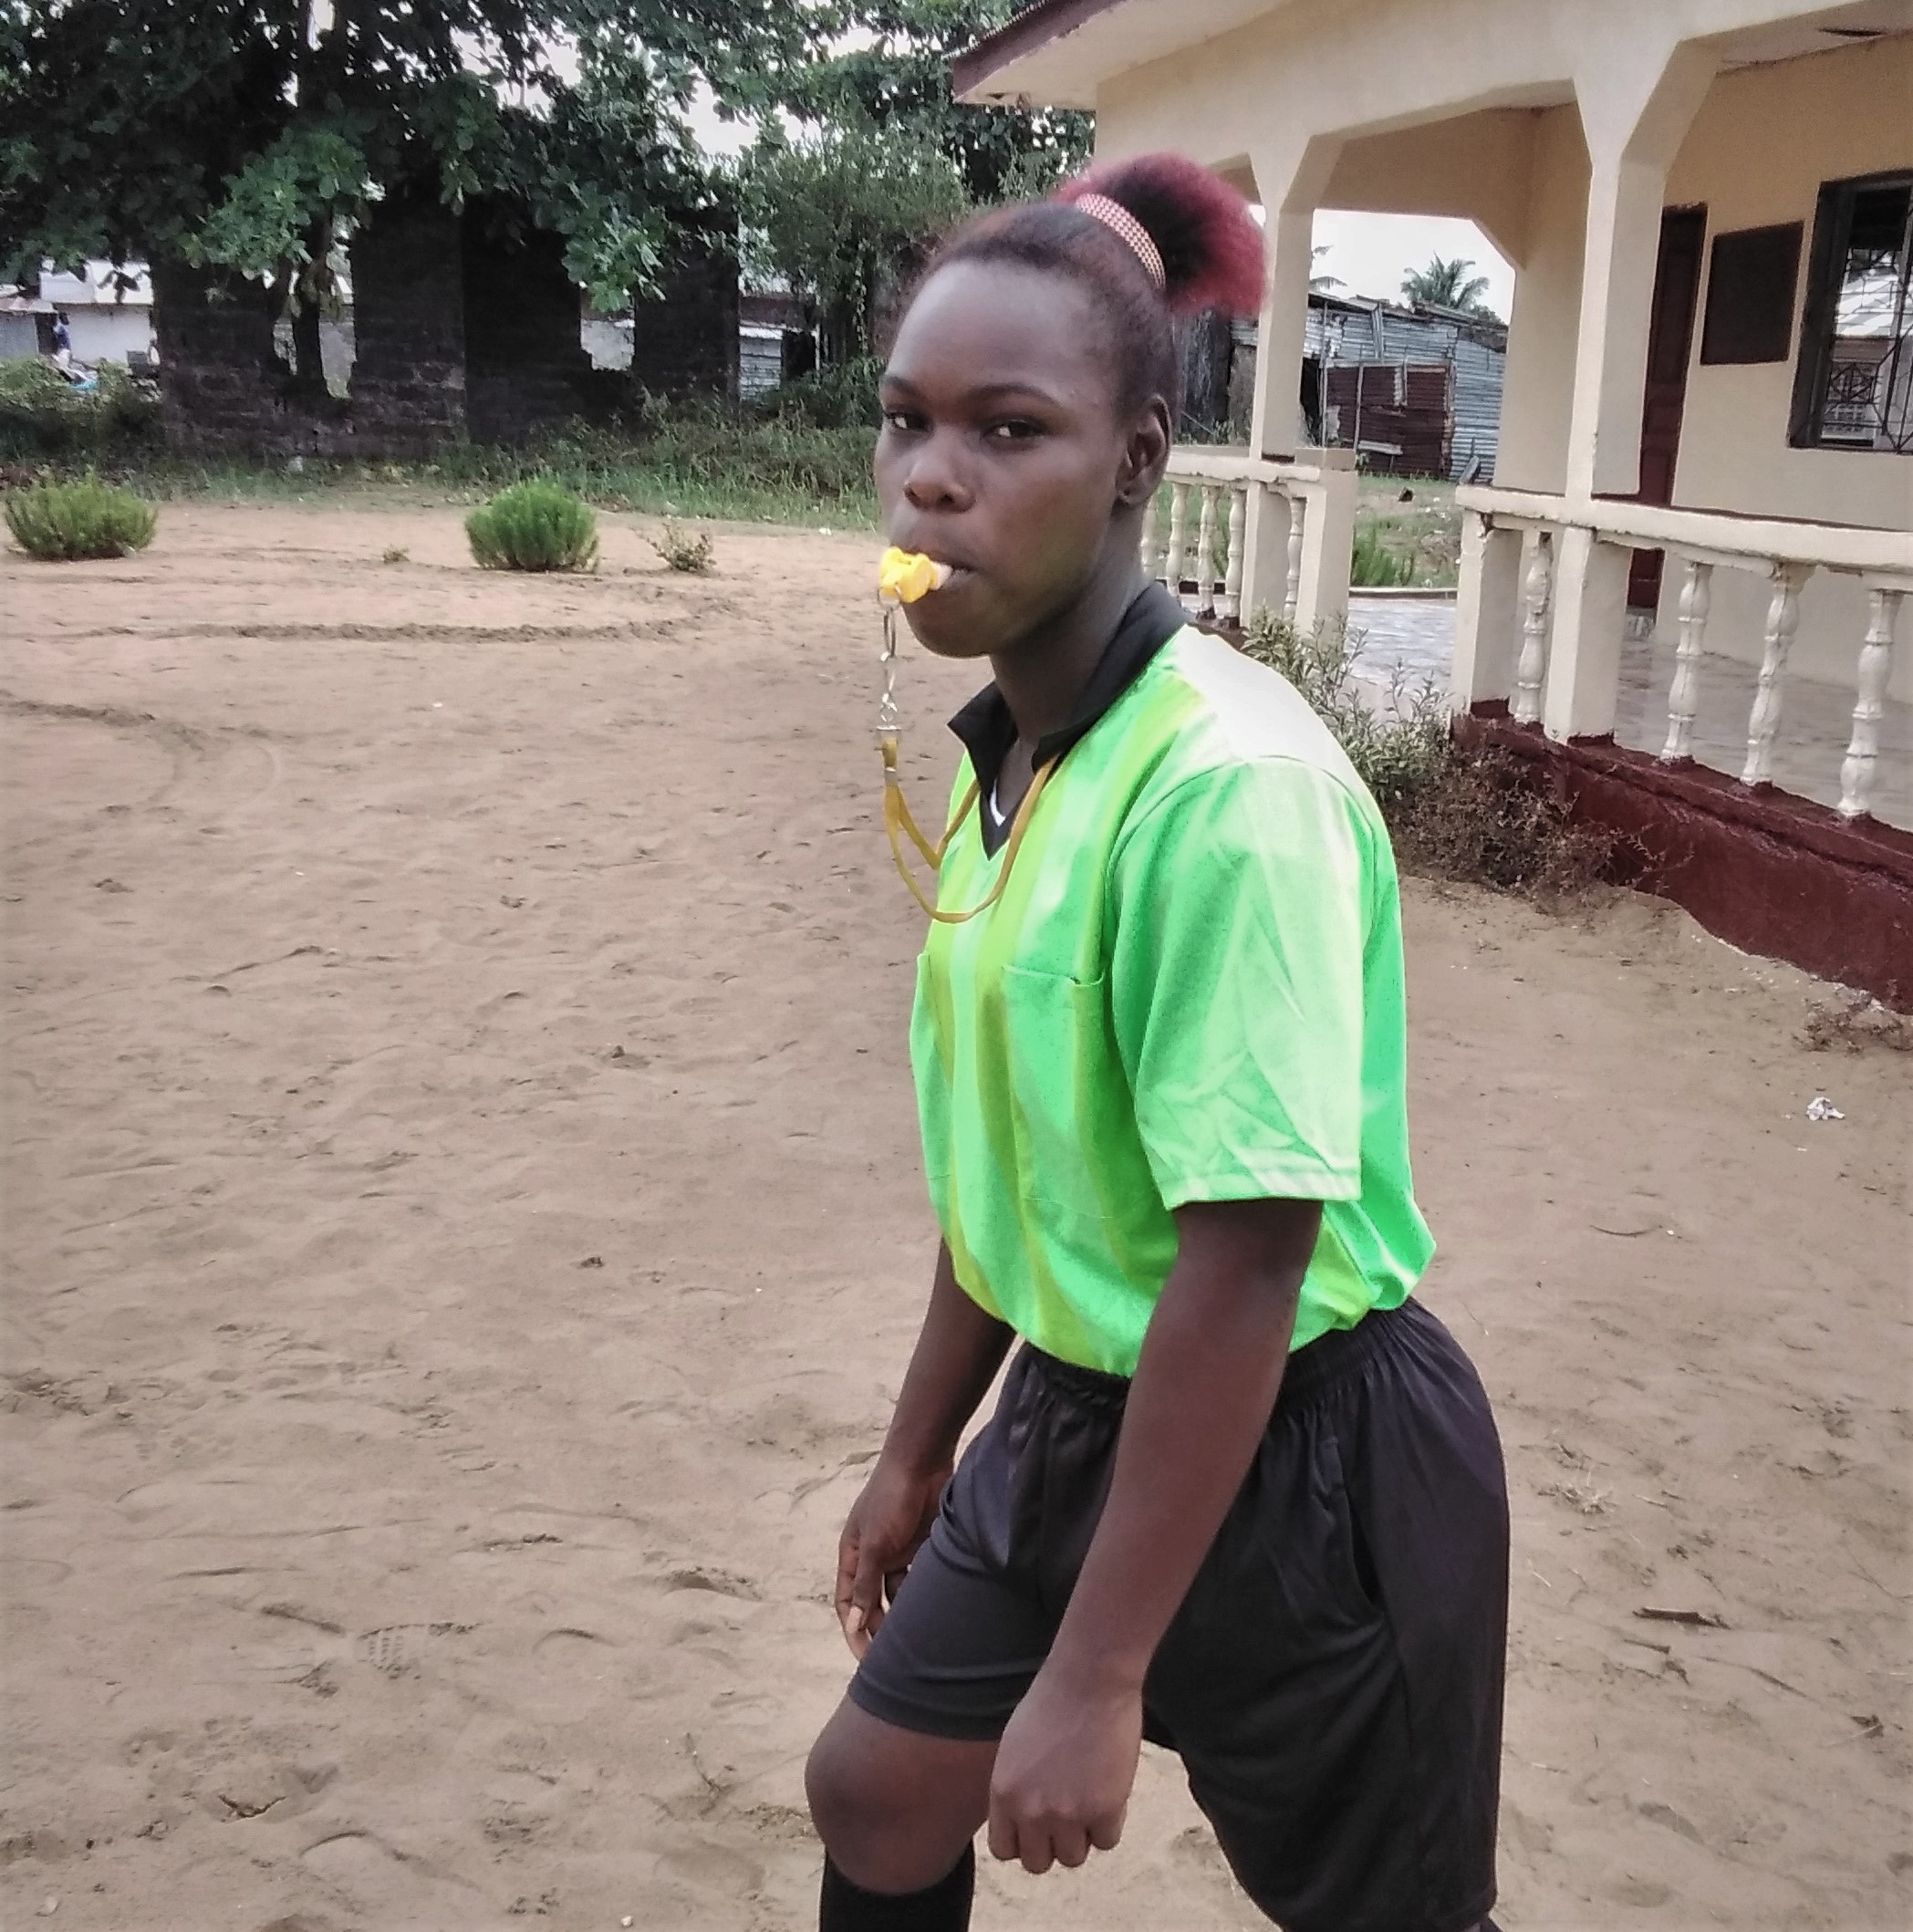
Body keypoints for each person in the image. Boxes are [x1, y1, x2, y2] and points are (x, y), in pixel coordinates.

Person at [805, 153, 1510, 1932]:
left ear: (1132, 466)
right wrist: (914, 1452)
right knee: (877, 1791)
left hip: (1301, 1453)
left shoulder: (1227, 791)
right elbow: (1020, 1162)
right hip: (1072, 1408)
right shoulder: (1020, 762)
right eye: (904, 422)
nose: (928, 477)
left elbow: (1249, 1250)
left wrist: (1099, 1673)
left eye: (1005, 430)